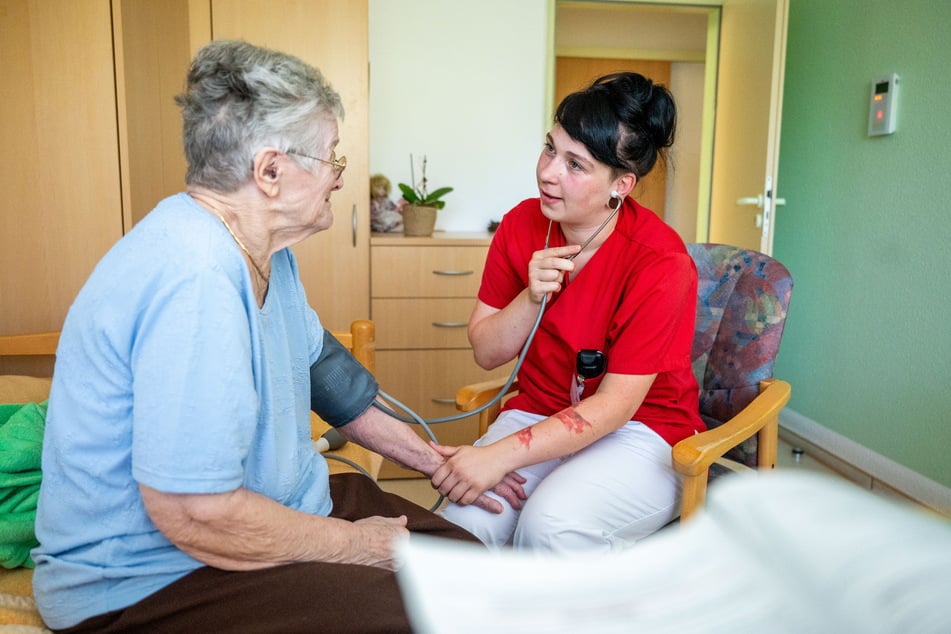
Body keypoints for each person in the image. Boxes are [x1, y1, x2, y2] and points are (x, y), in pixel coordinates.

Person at [31, 40, 523, 633]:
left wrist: (436, 461)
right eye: (331, 157)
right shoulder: (195, 277)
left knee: (471, 569)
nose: (339, 178)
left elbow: (322, 373)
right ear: (270, 172)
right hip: (151, 579)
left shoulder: (265, 251)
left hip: (274, 511)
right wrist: (354, 546)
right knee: (438, 612)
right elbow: (196, 513)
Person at [434, 72, 706, 551]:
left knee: (549, 525)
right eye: (550, 149)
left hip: (642, 430)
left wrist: (498, 456)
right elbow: (485, 352)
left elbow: (614, 406)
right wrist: (530, 297)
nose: (548, 172)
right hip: (539, 409)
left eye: (575, 165)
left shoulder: (660, 262)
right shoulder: (521, 223)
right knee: (462, 525)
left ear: (620, 184)